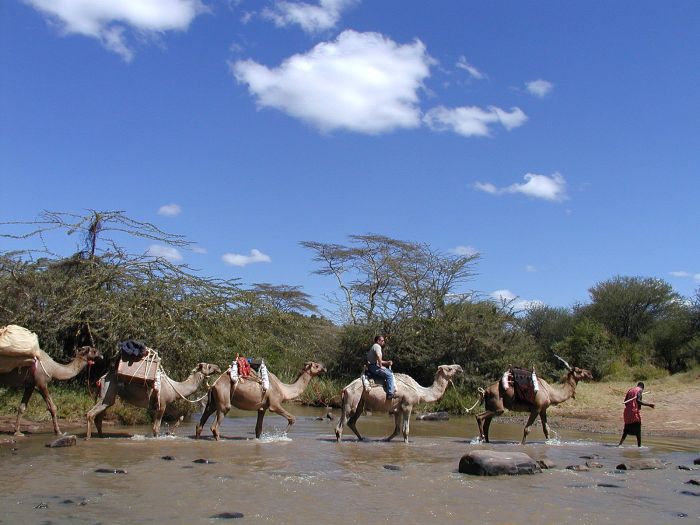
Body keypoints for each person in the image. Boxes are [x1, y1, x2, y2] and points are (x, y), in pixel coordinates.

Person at [618, 381, 655, 447]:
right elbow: (638, 401)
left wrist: (630, 407)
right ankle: (639, 447)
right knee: (638, 430)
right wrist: (649, 405)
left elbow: (625, 402)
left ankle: (620, 444)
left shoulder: (630, 390)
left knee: (626, 429)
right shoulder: (639, 390)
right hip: (634, 412)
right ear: (642, 388)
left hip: (627, 412)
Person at [366, 335, 395, 400]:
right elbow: (378, 356)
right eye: (382, 340)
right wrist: (381, 366)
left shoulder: (374, 346)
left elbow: (378, 360)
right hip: (373, 367)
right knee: (389, 375)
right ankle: (390, 394)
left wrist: (387, 362)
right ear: (378, 341)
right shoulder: (377, 346)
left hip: (372, 366)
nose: (383, 342)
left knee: (389, 371)